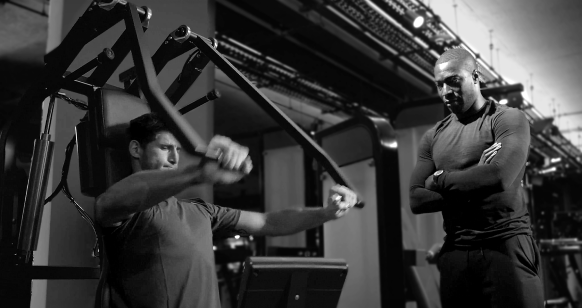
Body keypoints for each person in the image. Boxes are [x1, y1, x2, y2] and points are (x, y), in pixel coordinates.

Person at [94, 113, 357, 308]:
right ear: (136, 149)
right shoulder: (127, 210)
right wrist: (197, 172)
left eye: (177, 149)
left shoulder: (202, 211)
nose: (174, 158)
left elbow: (269, 222)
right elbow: (113, 201)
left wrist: (325, 213)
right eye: (165, 148)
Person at [408, 48, 543, 308]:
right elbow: (416, 199)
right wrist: (475, 177)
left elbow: (498, 176)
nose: (446, 91)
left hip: (506, 245)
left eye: (453, 81)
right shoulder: (433, 136)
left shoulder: (508, 119)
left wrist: (439, 180)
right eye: (439, 85)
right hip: (457, 252)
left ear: (475, 76)